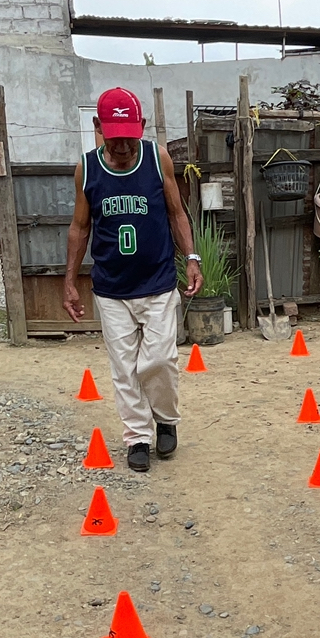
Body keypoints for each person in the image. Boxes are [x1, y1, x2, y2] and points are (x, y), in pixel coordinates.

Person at [63, 87, 202, 472]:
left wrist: (191, 257)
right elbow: (80, 227)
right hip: (111, 289)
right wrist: (70, 280)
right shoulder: (87, 168)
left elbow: (176, 213)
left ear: (141, 126)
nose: (123, 145)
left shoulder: (158, 159)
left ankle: (166, 418)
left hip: (158, 282)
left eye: (129, 136)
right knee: (124, 368)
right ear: (98, 127)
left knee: (159, 359)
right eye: (114, 137)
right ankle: (138, 436)